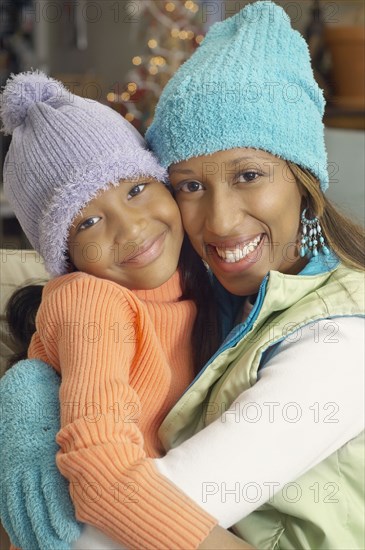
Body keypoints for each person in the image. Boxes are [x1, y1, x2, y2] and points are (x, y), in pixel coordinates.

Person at [1, 2, 364, 549]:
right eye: (190, 185)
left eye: (248, 175)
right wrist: (30, 396)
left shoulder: (340, 341)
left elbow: (100, 540)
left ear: (302, 177)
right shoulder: (212, 287)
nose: (218, 221)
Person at [0, 71, 252, 550]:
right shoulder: (92, 300)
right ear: (65, 255)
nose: (131, 227)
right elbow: (100, 470)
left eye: (136, 189)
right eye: (89, 221)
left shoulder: (203, 279)